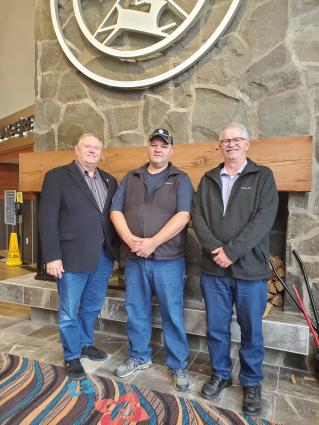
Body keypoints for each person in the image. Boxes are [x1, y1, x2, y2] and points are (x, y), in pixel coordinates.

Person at [192, 122, 278, 415]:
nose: (231, 144)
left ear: (247, 144)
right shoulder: (208, 178)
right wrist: (216, 250)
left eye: (236, 139)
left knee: (251, 330)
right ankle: (220, 374)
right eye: (225, 140)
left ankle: (252, 382)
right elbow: (197, 217)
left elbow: (263, 221)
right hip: (214, 270)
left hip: (250, 271)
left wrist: (231, 252)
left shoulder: (263, 177)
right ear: (220, 146)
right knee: (216, 328)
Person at [110, 128, 193, 391]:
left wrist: (152, 243)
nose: (158, 149)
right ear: (149, 147)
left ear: (171, 150)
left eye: (163, 145)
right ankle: (139, 356)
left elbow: (183, 215)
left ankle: (178, 363)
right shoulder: (131, 177)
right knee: (136, 310)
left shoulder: (181, 178)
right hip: (134, 258)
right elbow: (115, 210)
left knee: (172, 314)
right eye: (154, 144)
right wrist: (130, 240)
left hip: (168, 260)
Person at [39, 133, 119, 380]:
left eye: (97, 147)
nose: (93, 151)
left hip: (103, 256)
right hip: (70, 255)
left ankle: (85, 343)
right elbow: (47, 218)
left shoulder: (109, 180)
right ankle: (72, 355)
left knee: (92, 306)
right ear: (77, 149)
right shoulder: (57, 177)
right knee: (69, 309)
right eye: (88, 146)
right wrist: (52, 256)